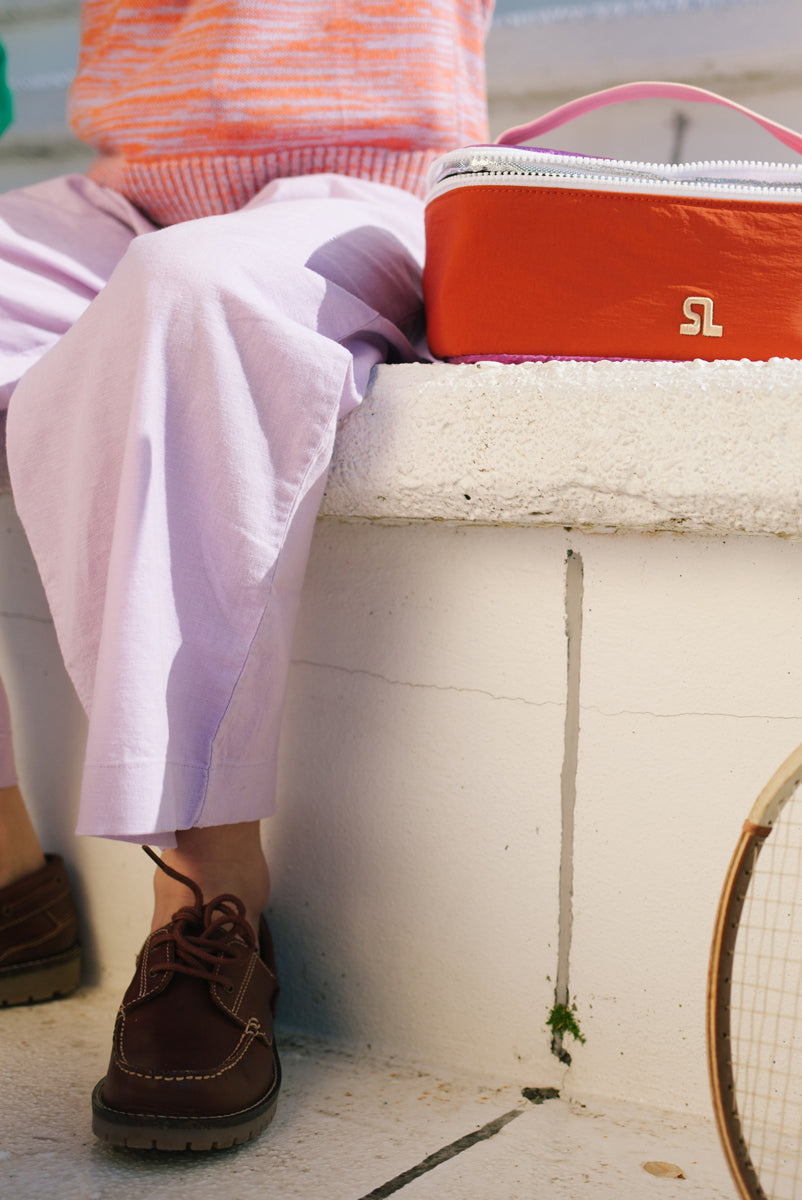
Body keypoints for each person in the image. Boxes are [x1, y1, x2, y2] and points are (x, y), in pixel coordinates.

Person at [0, 0, 492, 1151]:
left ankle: (210, 898)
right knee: (170, 269)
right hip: (126, 193)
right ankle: (8, 876)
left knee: (192, 295)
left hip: (365, 190)